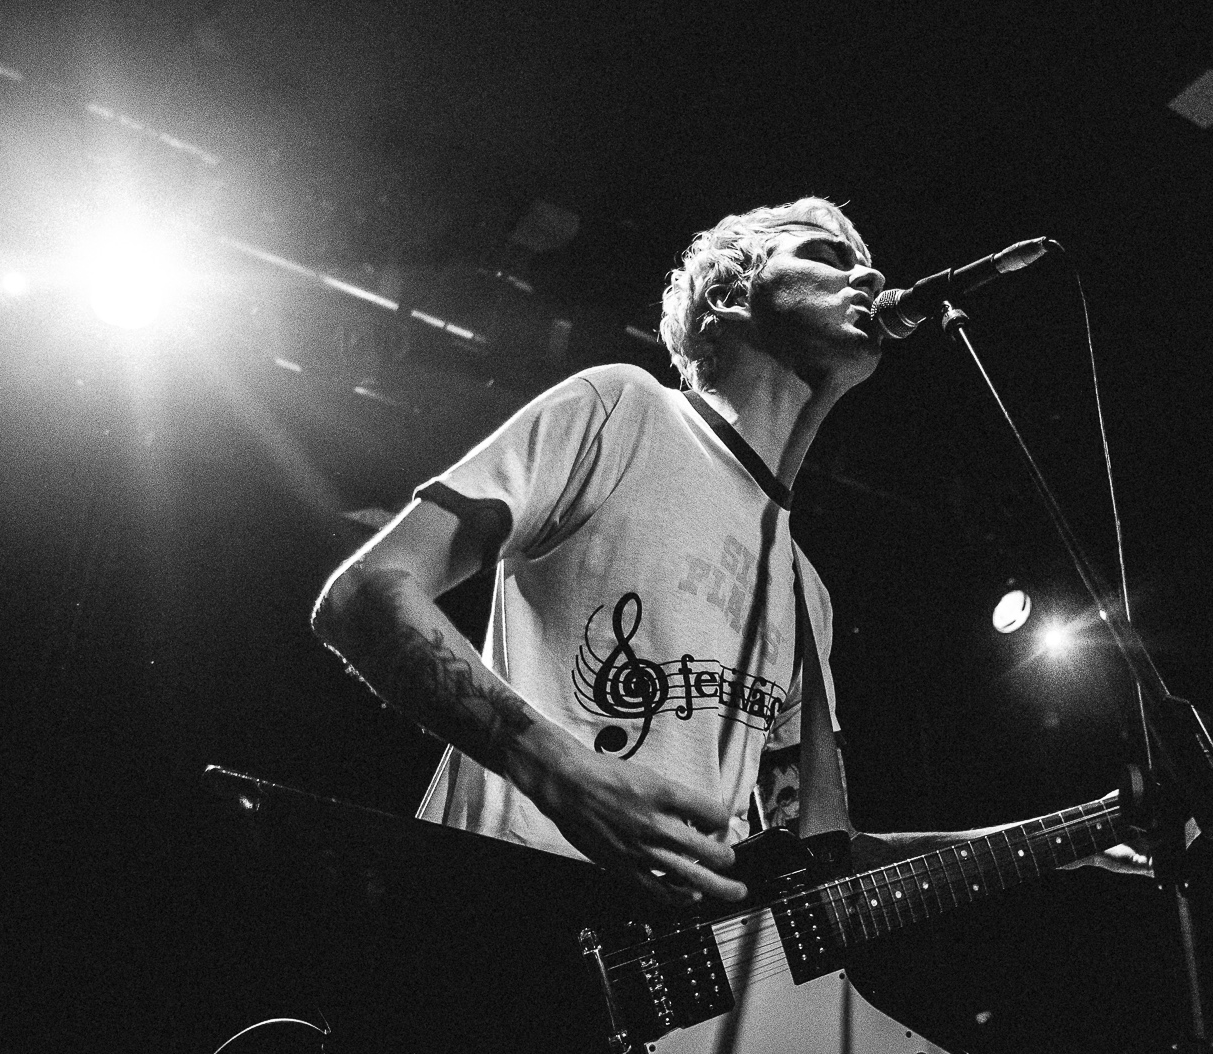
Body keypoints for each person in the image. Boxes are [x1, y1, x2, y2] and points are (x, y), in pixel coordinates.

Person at [311, 196, 1143, 893]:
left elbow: (822, 859)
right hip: (494, 911)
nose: (868, 277)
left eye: (865, 264)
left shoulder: (806, 592)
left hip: (664, 998)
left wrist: (1070, 837)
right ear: (729, 295)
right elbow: (363, 593)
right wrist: (557, 770)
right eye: (826, 254)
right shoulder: (622, 409)